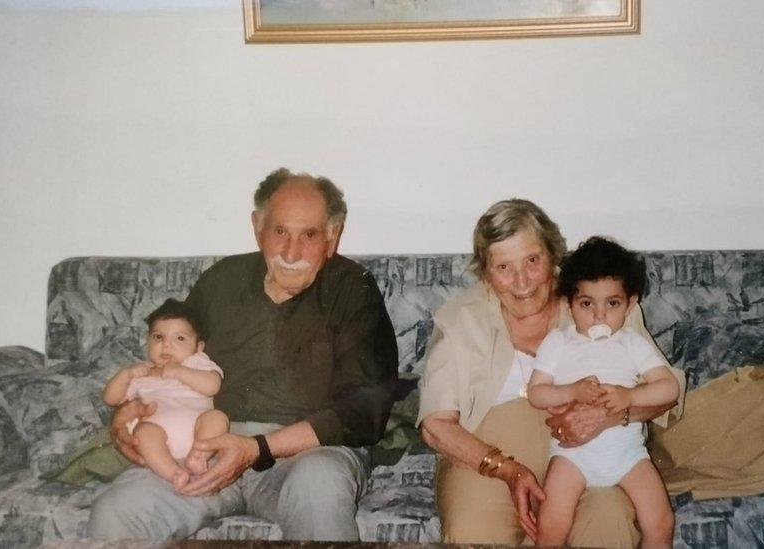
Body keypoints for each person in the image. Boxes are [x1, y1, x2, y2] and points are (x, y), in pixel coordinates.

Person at [89, 169, 399, 541]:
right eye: (280, 232)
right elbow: (169, 353)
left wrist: (256, 448)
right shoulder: (221, 280)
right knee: (117, 511)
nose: (291, 252)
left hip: (306, 456)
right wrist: (125, 414)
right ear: (257, 227)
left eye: (310, 235)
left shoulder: (353, 290)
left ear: (332, 237)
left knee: (319, 487)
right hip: (203, 448)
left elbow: (364, 411)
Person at [417, 199, 686, 547]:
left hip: (595, 452)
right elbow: (435, 425)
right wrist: (507, 470)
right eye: (504, 267)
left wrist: (609, 417)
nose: (522, 281)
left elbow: (666, 391)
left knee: (609, 520)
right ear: (485, 274)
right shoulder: (461, 320)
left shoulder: (597, 299)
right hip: (490, 463)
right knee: (474, 528)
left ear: (553, 255)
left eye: (532, 260)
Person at [527, 237, 677, 548]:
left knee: (661, 523)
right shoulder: (559, 342)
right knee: (552, 525)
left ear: (630, 304)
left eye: (612, 303)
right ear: (570, 305)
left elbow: (669, 387)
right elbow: (537, 394)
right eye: (586, 304)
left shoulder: (632, 343)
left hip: (628, 455)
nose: (599, 315)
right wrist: (570, 391)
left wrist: (630, 396)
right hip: (572, 456)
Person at [101, 298, 228, 491]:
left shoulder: (197, 363)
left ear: (198, 347)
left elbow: (212, 386)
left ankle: (198, 457)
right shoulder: (141, 372)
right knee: (143, 432)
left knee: (217, 419)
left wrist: (178, 372)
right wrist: (126, 375)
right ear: (148, 341)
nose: (166, 345)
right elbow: (110, 399)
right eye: (158, 337)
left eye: (180, 338)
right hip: (159, 436)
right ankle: (174, 473)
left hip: (198, 432)